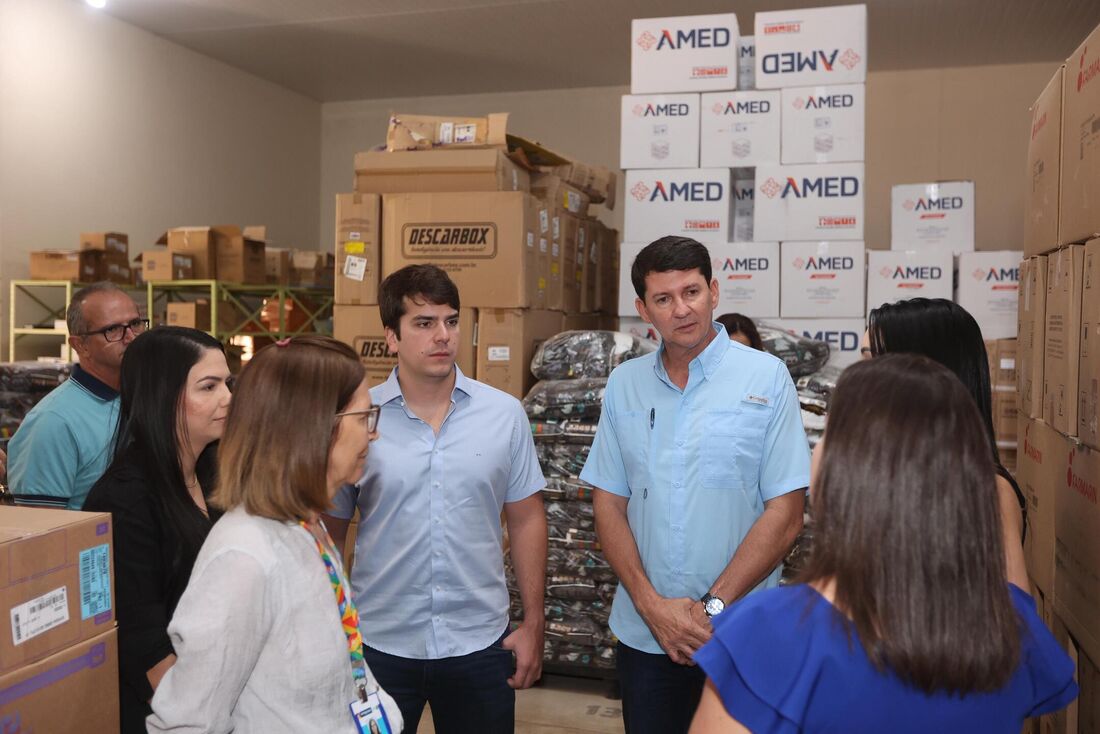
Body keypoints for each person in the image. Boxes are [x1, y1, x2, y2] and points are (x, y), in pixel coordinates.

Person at [689, 354, 1078, 733]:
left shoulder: (768, 634)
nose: (817, 448)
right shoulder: (1010, 624)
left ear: (856, 471)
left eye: (829, 433)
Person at [580, 237, 810, 734]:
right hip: (646, 638)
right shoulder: (625, 384)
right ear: (643, 309)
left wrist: (711, 610)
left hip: (740, 638)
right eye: (664, 299)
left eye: (692, 291)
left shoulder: (766, 378)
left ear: (715, 291)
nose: (681, 309)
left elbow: (786, 514)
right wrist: (650, 605)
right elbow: (608, 504)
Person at [325, 265, 547, 734]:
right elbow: (330, 531)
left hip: (480, 644)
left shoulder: (504, 414)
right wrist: (331, 632)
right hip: (380, 644)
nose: (442, 336)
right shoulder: (360, 421)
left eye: (450, 320)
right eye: (423, 324)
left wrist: (533, 622)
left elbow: (527, 519)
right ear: (392, 336)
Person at [147, 336, 403, 734]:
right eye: (364, 417)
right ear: (317, 428)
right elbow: (187, 721)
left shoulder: (307, 526)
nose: (374, 434)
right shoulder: (244, 557)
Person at [83, 327, 232, 733]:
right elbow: (143, 644)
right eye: (208, 386)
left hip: (218, 696)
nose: (227, 398)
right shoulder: (125, 499)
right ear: (163, 395)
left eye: (226, 383)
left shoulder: (215, 476)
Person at [866, 298, 1028, 589]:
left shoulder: (988, 491)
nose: (858, 378)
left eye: (873, 361)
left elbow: (1013, 620)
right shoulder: (884, 473)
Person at [7, 283, 144, 509]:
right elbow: (42, 529)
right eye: (112, 330)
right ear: (80, 345)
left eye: (136, 324)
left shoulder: (143, 397)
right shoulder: (53, 422)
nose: (130, 337)